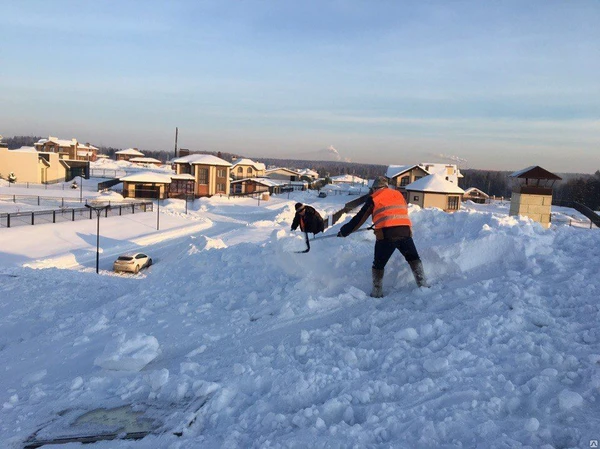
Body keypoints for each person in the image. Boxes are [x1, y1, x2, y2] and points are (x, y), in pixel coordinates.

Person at [337, 176, 427, 297]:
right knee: (414, 259)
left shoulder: (374, 197)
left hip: (387, 235)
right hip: (405, 232)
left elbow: (360, 218)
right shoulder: (398, 194)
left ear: (375, 188)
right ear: (386, 186)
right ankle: (423, 285)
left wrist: (344, 231)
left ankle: (377, 292)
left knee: (379, 265)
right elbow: (396, 212)